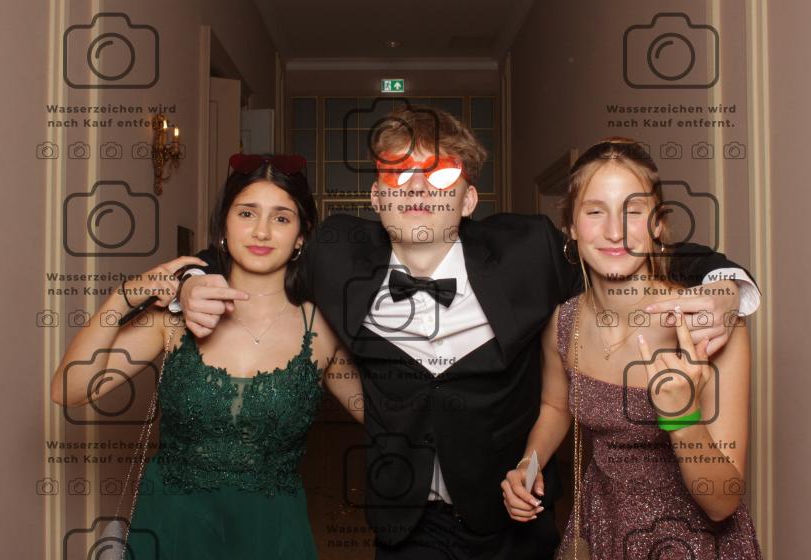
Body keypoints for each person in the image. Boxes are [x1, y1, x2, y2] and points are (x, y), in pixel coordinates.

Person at [176, 107, 760, 559]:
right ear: (377, 196)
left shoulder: (529, 251)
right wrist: (190, 280)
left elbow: (628, 249)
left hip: (513, 520)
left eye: (440, 175)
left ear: (468, 199)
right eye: (398, 173)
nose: (417, 188)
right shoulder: (335, 254)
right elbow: (251, 253)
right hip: (405, 519)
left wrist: (724, 286)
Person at [50, 154, 362, 559]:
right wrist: (124, 296)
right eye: (247, 213)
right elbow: (69, 389)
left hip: (272, 537)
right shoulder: (173, 319)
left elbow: (389, 416)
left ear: (301, 236)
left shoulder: (322, 330)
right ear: (223, 226)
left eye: (282, 218)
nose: (262, 231)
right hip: (171, 531)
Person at [501, 139, 762, 559]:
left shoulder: (708, 325)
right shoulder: (563, 323)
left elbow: (722, 503)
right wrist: (527, 465)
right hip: (600, 530)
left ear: (658, 225)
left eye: (634, 211)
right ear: (571, 226)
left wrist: (682, 418)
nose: (614, 231)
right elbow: (555, 406)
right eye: (595, 211)